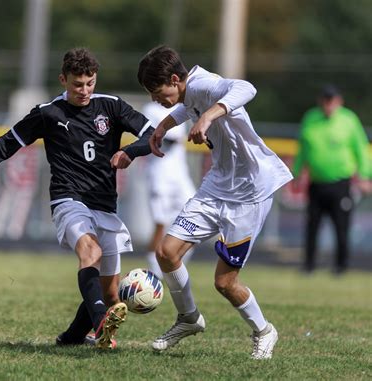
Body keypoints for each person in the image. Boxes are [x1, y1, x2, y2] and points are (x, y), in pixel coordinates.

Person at [0, 47, 154, 349]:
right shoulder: (48, 113)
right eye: (77, 84)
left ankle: (72, 338)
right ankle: (101, 327)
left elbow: (152, 136)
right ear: (63, 80)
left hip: (105, 204)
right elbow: (8, 143)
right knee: (90, 253)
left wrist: (129, 152)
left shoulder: (111, 107)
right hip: (68, 200)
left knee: (110, 293)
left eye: (90, 83)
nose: (84, 91)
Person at [137, 45, 293, 359]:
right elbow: (187, 107)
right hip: (217, 187)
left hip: (249, 194)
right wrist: (163, 126)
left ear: (174, 79)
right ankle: (189, 318)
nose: (155, 99)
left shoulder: (205, 84)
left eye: (157, 92)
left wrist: (208, 116)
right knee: (167, 253)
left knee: (224, 282)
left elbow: (246, 87)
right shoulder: (189, 92)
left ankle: (264, 331)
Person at [292, 84, 370, 275]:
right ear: (321, 101)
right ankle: (309, 265)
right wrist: (296, 172)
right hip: (316, 183)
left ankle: (341, 266)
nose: (328, 104)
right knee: (312, 226)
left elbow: (361, 148)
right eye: (325, 100)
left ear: (339, 101)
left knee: (341, 227)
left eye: (332, 100)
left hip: (340, 183)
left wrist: (365, 176)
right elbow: (303, 148)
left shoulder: (349, 120)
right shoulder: (310, 118)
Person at [142, 101, 196, 279]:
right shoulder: (151, 109)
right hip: (159, 175)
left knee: (195, 220)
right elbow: (167, 138)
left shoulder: (180, 108)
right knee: (160, 224)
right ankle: (154, 274)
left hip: (180, 175)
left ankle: (174, 267)